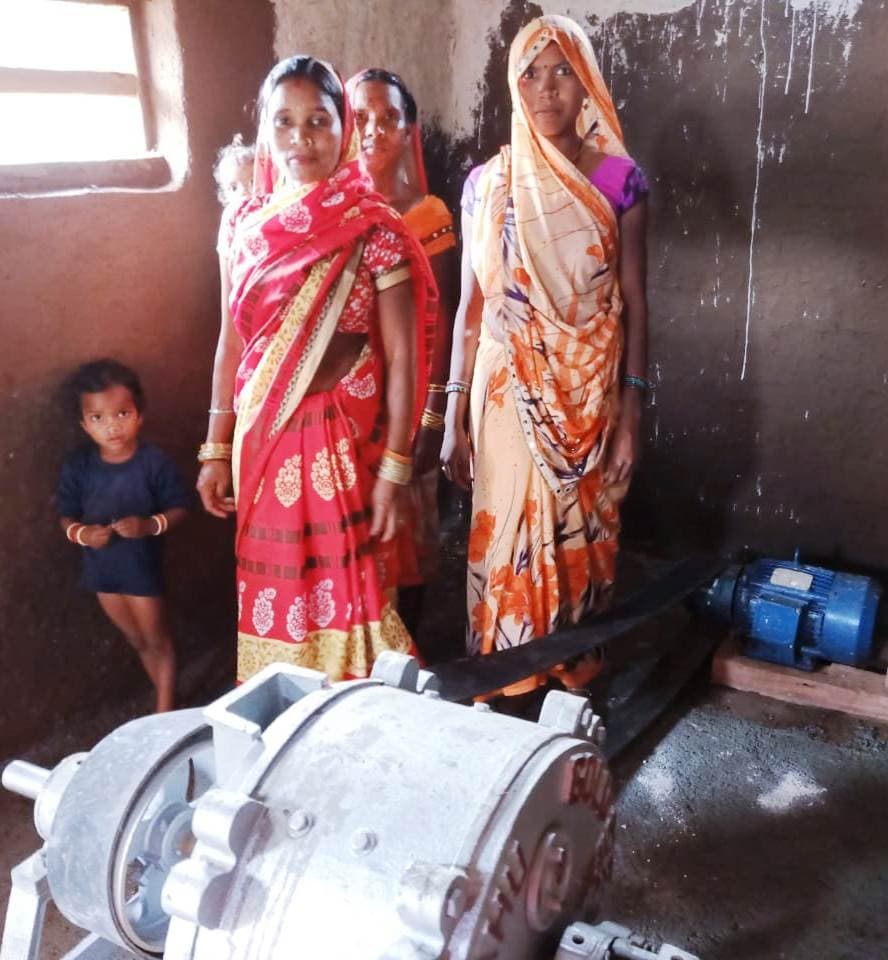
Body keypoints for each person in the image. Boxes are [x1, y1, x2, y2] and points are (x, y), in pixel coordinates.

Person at [197, 55, 437, 684]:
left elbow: (404, 357)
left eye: (318, 121)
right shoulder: (243, 225)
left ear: (342, 128)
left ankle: (363, 718)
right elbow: (230, 340)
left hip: (345, 445)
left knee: (356, 599)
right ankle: (285, 717)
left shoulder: (374, 229)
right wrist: (215, 447)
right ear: (264, 127)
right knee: (276, 596)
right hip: (263, 442)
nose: (300, 139)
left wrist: (396, 470)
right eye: (284, 121)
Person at [441, 15, 650, 697]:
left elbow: (635, 301)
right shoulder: (486, 186)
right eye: (530, 73)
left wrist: (632, 412)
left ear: (586, 82)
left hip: (590, 391)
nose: (547, 88)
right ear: (513, 85)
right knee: (507, 528)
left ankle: (571, 671)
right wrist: (451, 416)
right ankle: (507, 679)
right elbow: (472, 307)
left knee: (581, 533)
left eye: (563, 70)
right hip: (506, 389)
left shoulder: (619, 181)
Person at [348, 68, 457, 639]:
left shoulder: (427, 216)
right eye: (359, 116)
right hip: (345, 405)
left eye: (388, 117)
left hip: (405, 400)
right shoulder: (328, 213)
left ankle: (407, 654)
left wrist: (432, 418)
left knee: (409, 533)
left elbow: (442, 319)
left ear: (409, 129)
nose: (373, 129)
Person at [57, 359, 189, 712]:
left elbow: (180, 507)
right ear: (84, 424)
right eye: (97, 417)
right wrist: (83, 534)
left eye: (122, 413)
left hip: (141, 570)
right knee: (137, 640)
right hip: (102, 571)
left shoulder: (153, 461)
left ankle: (164, 715)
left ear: (139, 415)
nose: (111, 426)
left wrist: (148, 526)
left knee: (157, 641)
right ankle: (169, 701)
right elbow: (65, 516)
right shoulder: (79, 465)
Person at [213, 133, 256, 205]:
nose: (243, 192)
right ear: (225, 196)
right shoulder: (232, 211)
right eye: (234, 188)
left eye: (252, 182)